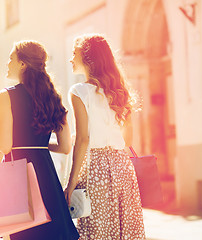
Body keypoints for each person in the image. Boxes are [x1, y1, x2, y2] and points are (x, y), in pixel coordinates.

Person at [0, 40, 79, 240]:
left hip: (18, 174)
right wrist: (40, 146)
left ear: (23, 64)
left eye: (11, 59)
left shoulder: (6, 96)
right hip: (46, 176)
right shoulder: (53, 97)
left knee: (24, 233)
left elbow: (5, 146)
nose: (7, 63)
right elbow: (65, 147)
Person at [64, 34, 145, 239]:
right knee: (125, 230)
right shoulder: (119, 91)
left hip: (97, 169)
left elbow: (83, 140)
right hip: (123, 167)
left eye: (74, 54)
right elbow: (127, 141)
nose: (71, 59)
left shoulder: (79, 91)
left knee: (98, 232)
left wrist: (71, 183)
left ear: (88, 59)